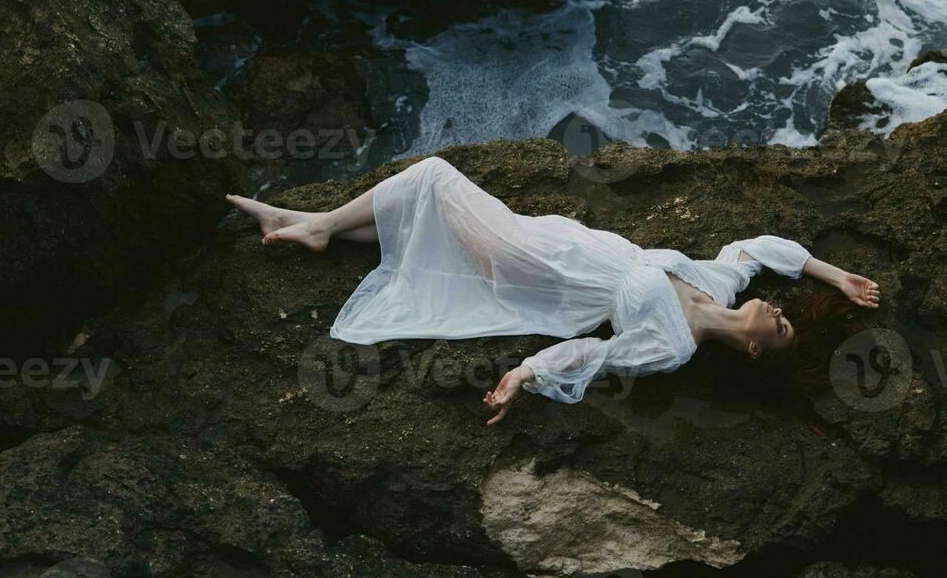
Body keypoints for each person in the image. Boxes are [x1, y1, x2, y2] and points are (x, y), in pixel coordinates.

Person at [227, 156, 879, 425]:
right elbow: (763, 250)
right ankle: (326, 228)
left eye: (783, 326)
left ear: (758, 350)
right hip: (560, 243)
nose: (776, 308)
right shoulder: (720, 279)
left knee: (432, 175)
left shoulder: (672, 347)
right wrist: (833, 275)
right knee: (431, 226)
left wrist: (523, 372)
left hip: (542, 268)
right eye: (785, 311)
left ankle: (319, 226)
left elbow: (595, 359)